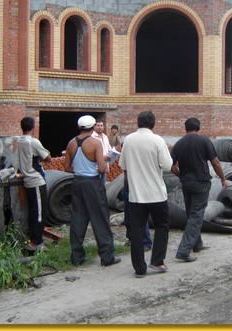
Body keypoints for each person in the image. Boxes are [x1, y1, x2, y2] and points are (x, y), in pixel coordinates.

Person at [118, 111, 173, 278]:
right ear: (153, 124)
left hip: (136, 195)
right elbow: (168, 165)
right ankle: (157, 261)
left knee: (137, 230)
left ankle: (139, 269)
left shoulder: (128, 140)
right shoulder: (157, 140)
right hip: (156, 194)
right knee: (162, 225)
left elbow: (124, 166)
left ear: (137, 123)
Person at [64, 115, 121, 267]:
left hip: (78, 182)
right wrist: (102, 160)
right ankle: (107, 256)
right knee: (100, 218)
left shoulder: (71, 143)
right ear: (93, 127)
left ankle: (77, 257)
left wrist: (81, 168)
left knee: (78, 218)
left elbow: (67, 167)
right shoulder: (95, 143)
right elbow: (102, 169)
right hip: (93, 183)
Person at [171, 117, 228, 262]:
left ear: (185, 128)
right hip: (201, 183)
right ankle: (183, 250)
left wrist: (181, 174)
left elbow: (171, 165)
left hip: (186, 183)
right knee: (196, 216)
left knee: (191, 214)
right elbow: (215, 162)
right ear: (199, 128)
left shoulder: (178, 144)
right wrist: (223, 178)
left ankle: (197, 244)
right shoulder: (204, 141)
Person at [17, 117, 52, 252]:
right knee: (39, 213)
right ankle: (35, 243)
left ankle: (34, 240)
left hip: (27, 179)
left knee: (33, 210)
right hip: (36, 180)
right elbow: (47, 158)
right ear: (33, 126)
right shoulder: (33, 142)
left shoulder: (19, 140)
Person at [92, 119, 111, 185]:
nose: (100, 127)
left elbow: (108, 148)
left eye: (101, 125)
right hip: (96, 167)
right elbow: (91, 152)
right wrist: (102, 157)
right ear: (94, 127)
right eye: (98, 125)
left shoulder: (105, 137)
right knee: (96, 186)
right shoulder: (92, 137)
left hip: (104, 165)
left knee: (103, 186)